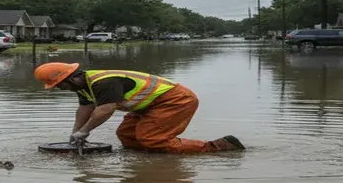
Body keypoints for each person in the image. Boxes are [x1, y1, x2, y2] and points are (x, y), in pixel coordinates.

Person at [34, 62, 244, 153]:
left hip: (175, 100)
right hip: (149, 106)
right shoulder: (83, 87)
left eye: (60, 85)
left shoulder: (102, 82)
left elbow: (105, 110)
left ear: (72, 78)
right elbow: (85, 110)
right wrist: (75, 133)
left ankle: (218, 147)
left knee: (151, 138)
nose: (60, 89)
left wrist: (85, 131)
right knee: (127, 135)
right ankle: (154, 158)